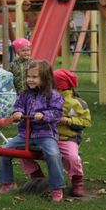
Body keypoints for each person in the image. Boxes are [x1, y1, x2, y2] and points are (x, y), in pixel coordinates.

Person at [0, 60, 65, 202]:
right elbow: (19, 106)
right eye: (28, 76)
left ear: (45, 78)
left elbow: (57, 113)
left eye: (34, 77)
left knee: (53, 154)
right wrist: (17, 113)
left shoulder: (53, 96)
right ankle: (8, 183)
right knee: (4, 151)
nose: (30, 79)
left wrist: (44, 115)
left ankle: (57, 187)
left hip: (45, 134)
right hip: (25, 134)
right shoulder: (24, 94)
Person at [21, 69, 91, 197]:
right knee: (22, 150)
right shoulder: (42, 98)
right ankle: (37, 177)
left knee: (72, 157)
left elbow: (86, 121)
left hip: (66, 138)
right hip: (43, 136)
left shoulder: (75, 103)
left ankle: (77, 181)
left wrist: (69, 121)